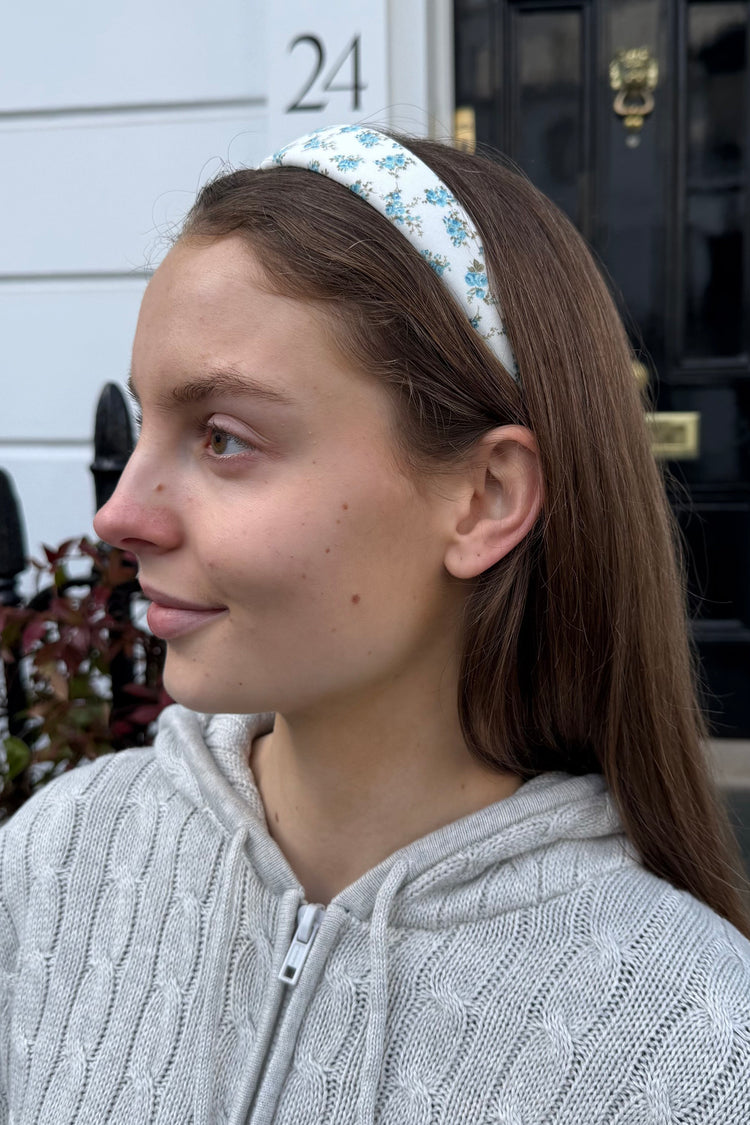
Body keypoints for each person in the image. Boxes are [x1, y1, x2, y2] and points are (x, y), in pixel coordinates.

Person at [1, 123, 749, 1125]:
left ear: (483, 498)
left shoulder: (687, 1041)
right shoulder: (60, 861)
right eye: (147, 427)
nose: (120, 514)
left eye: (223, 438)